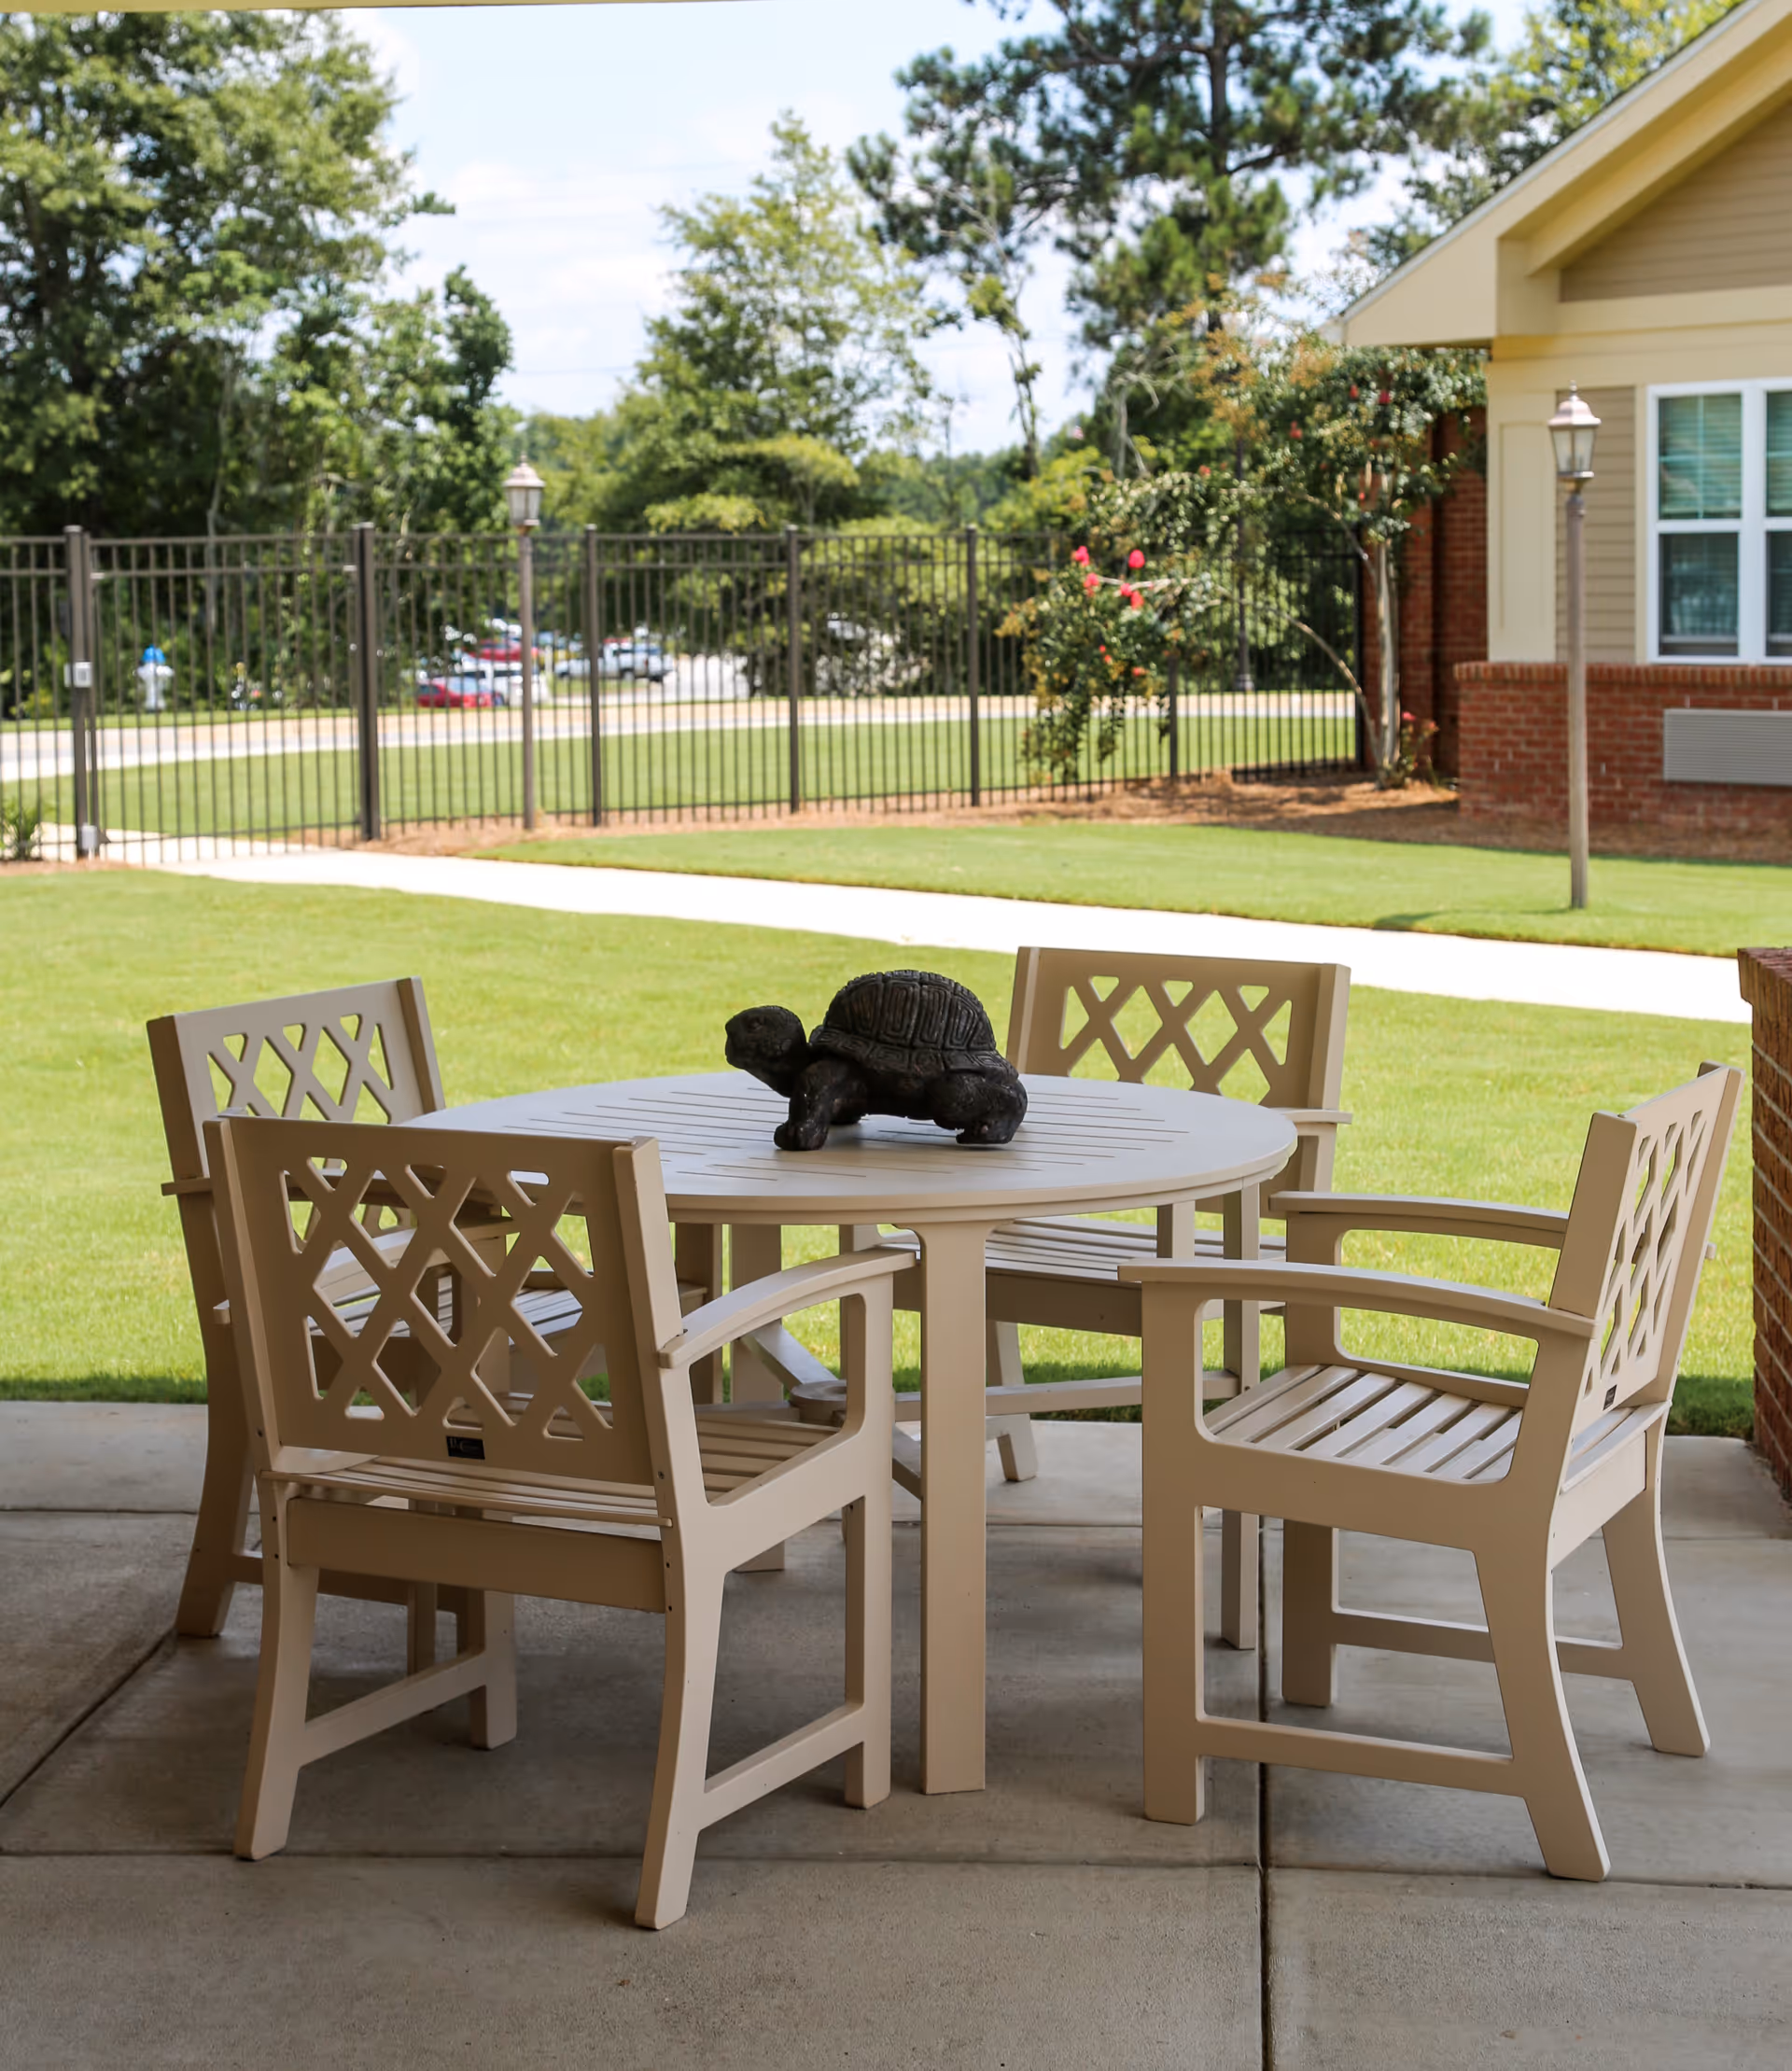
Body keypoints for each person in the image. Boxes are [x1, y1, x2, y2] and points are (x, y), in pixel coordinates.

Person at [137, 645, 173, 713]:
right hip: (156, 701)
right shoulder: (160, 669)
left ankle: (153, 708)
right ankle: (155, 708)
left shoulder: (146, 669)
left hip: (152, 701)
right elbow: (169, 672)